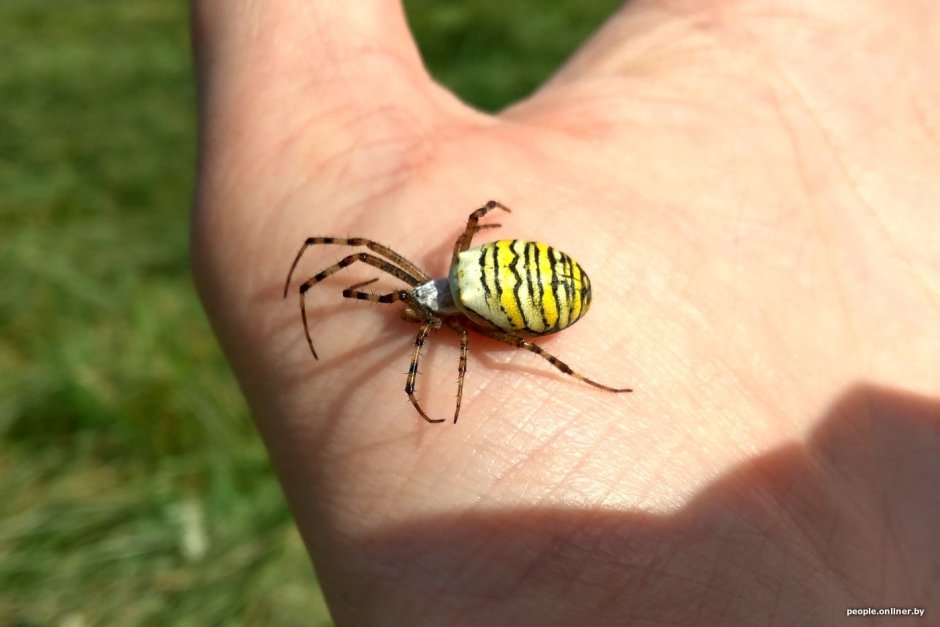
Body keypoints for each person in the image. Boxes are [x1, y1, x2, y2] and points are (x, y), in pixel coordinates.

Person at [190, 1, 940, 624]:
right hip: (505, 277)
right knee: (386, 275)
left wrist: (435, 379)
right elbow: (395, 283)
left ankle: (579, 374)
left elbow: (399, 317)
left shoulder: (443, 321)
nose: (411, 299)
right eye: (414, 299)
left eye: (415, 298)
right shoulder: (448, 288)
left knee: (410, 285)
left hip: (519, 287)